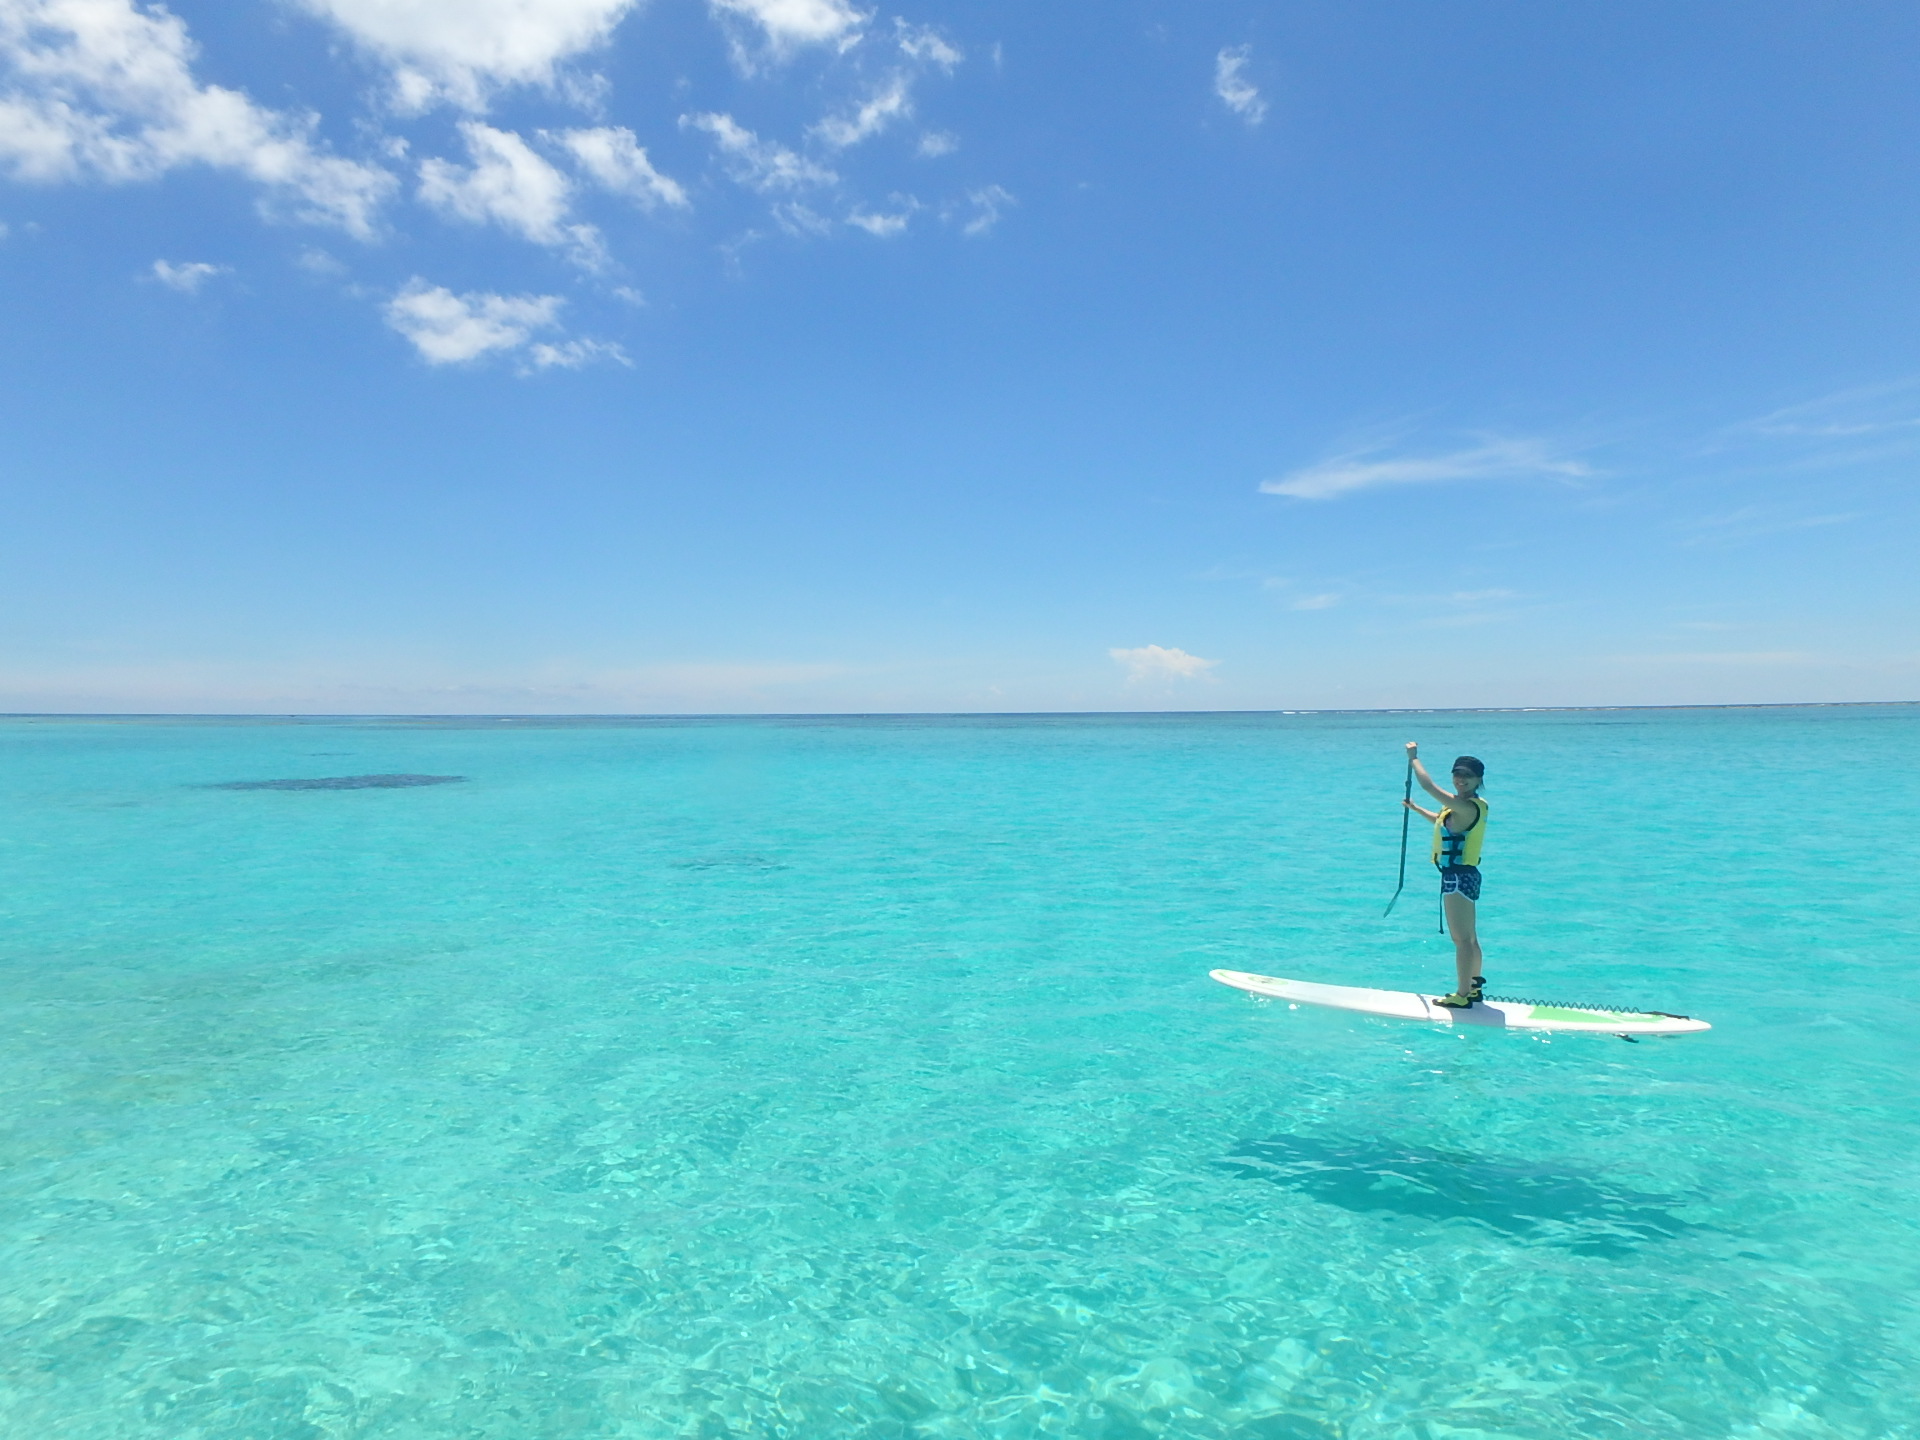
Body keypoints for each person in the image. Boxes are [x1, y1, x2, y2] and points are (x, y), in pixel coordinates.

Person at [1402, 744, 1488, 1007]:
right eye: (1457, 774)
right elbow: (1447, 826)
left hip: (1458, 878)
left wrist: (1414, 759)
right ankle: (1473, 988)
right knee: (1470, 937)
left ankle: (1462, 996)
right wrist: (1417, 810)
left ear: (1478, 780)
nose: (1461, 780)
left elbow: (1429, 787)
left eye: (1467, 776)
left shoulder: (1466, 806)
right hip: (1467, 875)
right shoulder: (1466, 806)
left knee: (1461, 940)